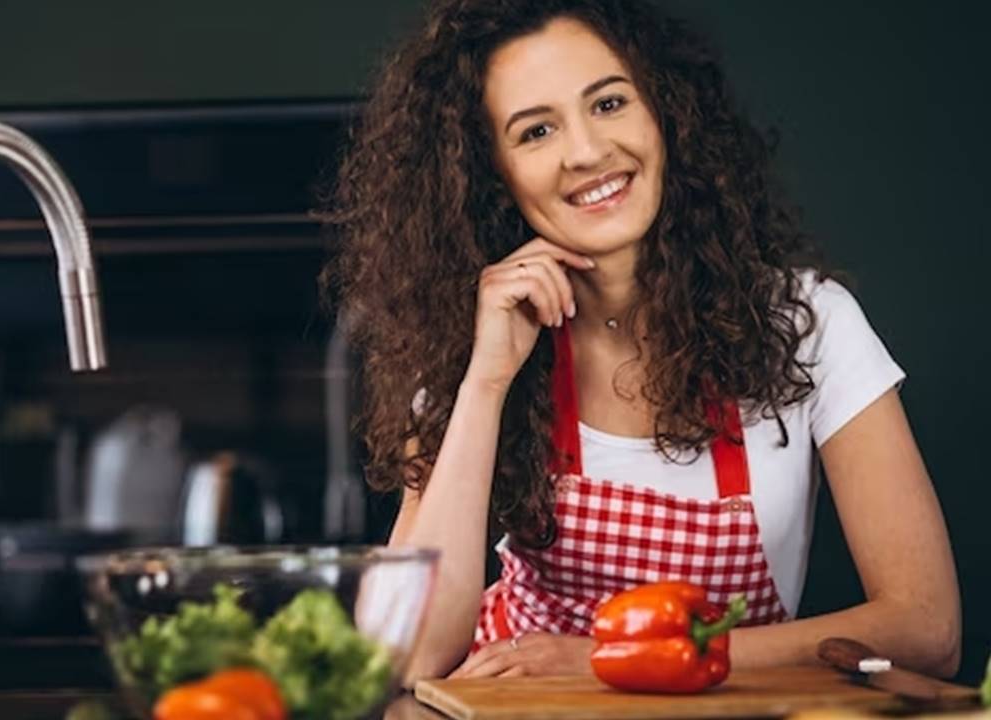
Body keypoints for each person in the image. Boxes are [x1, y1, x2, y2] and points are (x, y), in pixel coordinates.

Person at [322, 0, 960, 683]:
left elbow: (924, 629)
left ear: (665, 113)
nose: (588, 152)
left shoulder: (807, 323)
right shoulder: (469, 348)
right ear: (492, 177)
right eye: (536, 131)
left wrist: (608, 662)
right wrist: (487, 380)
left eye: (609, 103)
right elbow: (405, 656)